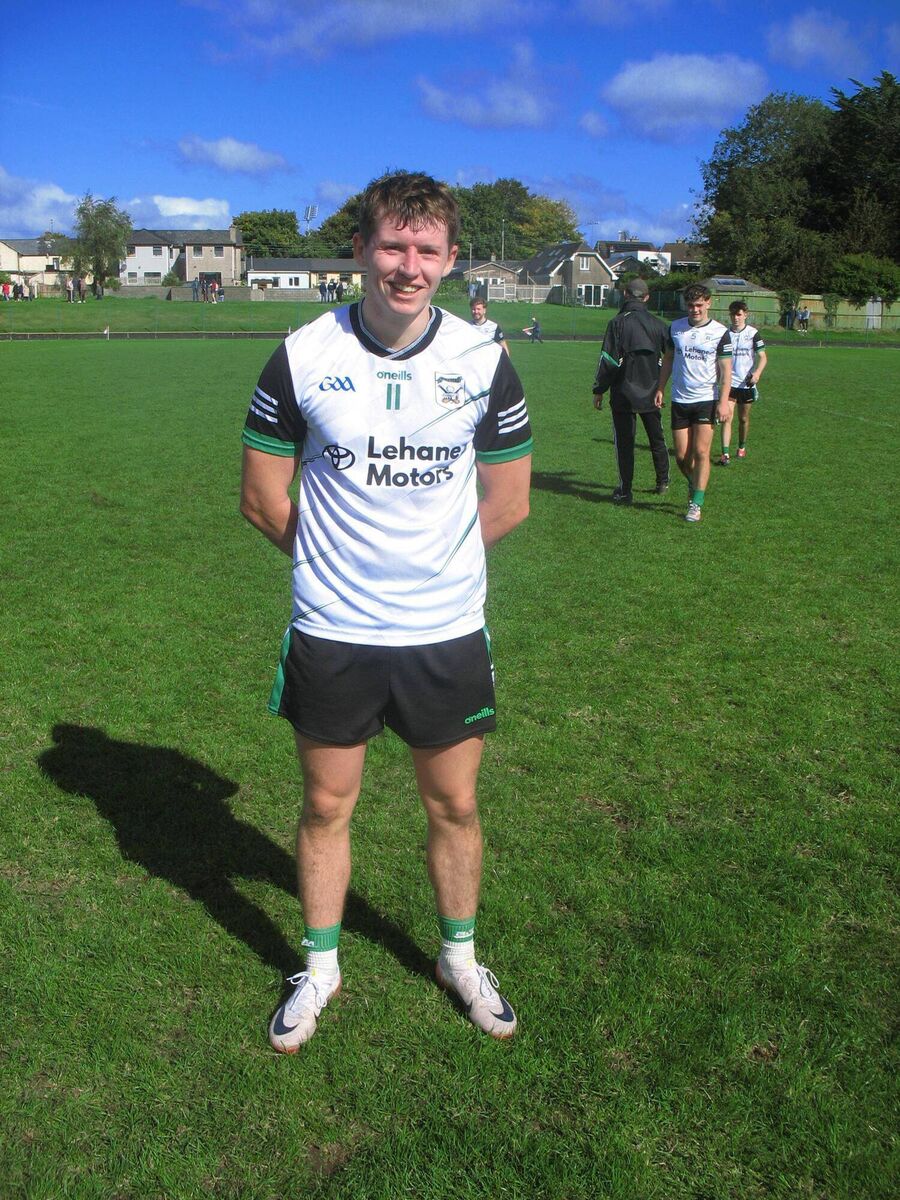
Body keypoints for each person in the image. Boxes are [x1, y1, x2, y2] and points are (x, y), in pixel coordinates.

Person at [240, 170, 533, 1053]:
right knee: (327, 805)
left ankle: (459, 957)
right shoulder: (301, 354)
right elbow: (261, 497)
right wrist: (344, 570)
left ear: (450, 261)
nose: (408, 266)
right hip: (333, 631)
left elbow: (509, 501)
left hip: (444, 633)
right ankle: (320, 967)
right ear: (363, 250)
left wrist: (424, 573)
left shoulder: (483, 359)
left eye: (427, 250)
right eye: (393, 246)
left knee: (455, 806)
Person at [656, 283, 732, 523]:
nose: (695, 310)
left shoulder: (720, 332)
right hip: (680, 399)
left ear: (708, 303)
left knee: (701, 452)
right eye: (690, 305)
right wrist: (660, 388)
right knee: (681, 457)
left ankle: (696, 503)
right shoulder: (675, 329)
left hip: (705, 400)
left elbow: (726, 371)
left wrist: (723, 402)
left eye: (699, 305)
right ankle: (695, 484)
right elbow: (667, 359)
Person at [591, 277, 669, 503]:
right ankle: (662, 481)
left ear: (625, 295)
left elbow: (608, 360)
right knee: (657, 439)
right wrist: (661, 386)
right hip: (653, 392)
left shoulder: (617, 323)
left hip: (623, 393)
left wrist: (599, 389)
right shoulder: (659, 324)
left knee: (625, 443)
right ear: (646, 297)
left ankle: (626, 490)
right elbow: (671, 356)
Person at [717, 301, 767, 465]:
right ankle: (725, 454)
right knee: (727, 417)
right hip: (729, 384)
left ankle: (741, 446)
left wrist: (757, 373)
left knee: (743, 418)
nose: (735, 318)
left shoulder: (753, 333)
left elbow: (763, 357)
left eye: (738, 314)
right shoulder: (724, 334)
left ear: (746, 314)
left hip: (746, 384)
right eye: (733, 314)